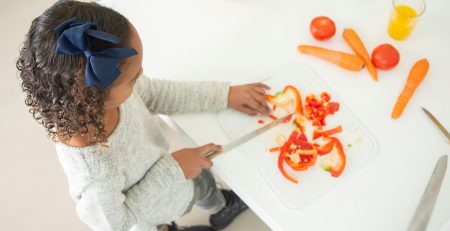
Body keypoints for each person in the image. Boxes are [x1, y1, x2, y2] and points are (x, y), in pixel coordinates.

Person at [16, 1, 271, 231]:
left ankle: (221, 208)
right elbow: (114, 223)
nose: (141, 78)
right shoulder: (94, 173)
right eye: (134, 78)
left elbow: (158, 93)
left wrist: (224, 95)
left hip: (172, 171)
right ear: (93, 98)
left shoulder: (101, 96)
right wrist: (174, 169)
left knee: (203, 183)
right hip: (155, 207)